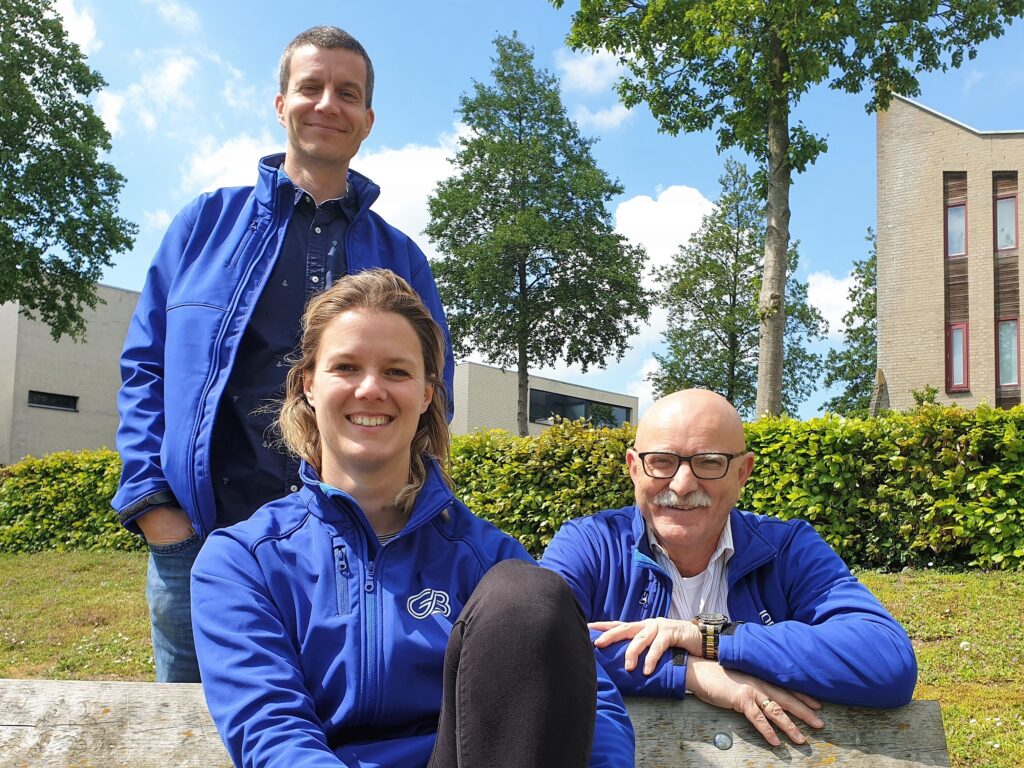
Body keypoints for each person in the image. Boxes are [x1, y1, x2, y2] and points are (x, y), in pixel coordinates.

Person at [111, 26, 453, 683]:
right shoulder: (202, 227)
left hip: (352, 550)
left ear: (368, 120)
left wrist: (406, 517)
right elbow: (144, 367)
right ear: (280, 104)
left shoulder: (403, 258)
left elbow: (433, 389)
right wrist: (157, 508)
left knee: (335, 727)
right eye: (311, 87)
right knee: (191, 732)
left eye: (347, 93)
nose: (328, 104)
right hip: (198, 543)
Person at [190, 270, 634, 768]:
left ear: (427, 394)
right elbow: (271, 731)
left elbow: (592, 701)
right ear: (308, 385)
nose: (371, 389)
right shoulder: (242, 561)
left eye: (397, 372)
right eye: (346, 367)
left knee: (530, 597)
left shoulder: (486, 558)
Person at [541, 388, 918, 747]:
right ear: (634, 468)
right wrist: (693, 672)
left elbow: (887, 661)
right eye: (661, 461)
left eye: (708, 462)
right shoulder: (590, 543)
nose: (683, 483)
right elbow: (536, 645)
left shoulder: (786, 548)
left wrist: (710, 638)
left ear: (742, 472)